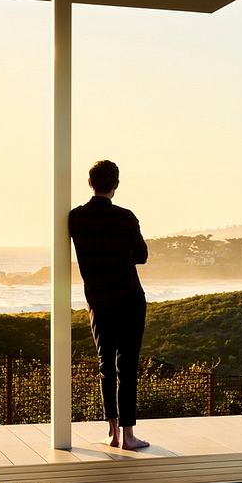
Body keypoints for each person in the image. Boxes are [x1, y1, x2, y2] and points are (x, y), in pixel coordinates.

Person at [68, 160, 150, 450]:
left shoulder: (76, 218)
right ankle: (129, 435)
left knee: (106, 363)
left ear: (90, 183)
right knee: (127, 366)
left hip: (99, 299)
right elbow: (142, 256)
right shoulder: (125, 217)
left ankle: (112, 432)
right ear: (116, 184)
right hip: (129, 298)